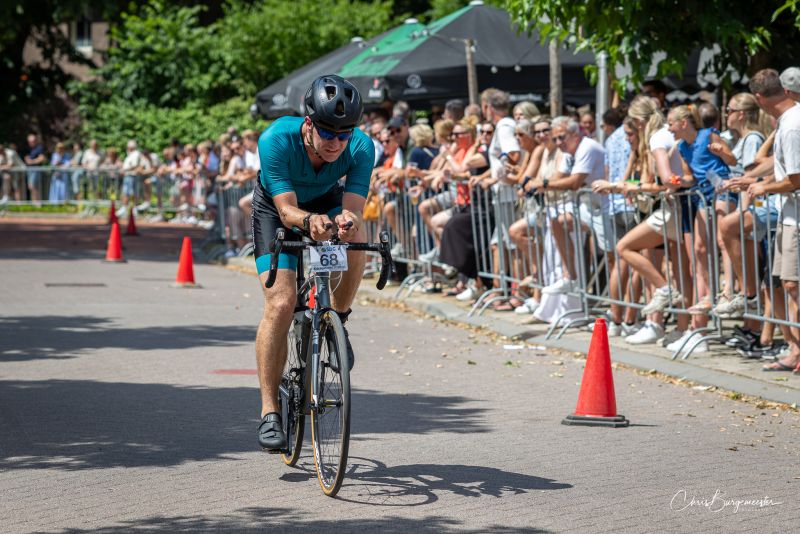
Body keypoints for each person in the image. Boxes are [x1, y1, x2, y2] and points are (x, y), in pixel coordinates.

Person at [253, 75, 373, 451]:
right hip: (278, 208)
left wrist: (347, 221)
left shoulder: (361, 146)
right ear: (308, 124)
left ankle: (338, 321)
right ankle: (269, 412)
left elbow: (353, 208)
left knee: (357, 234)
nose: (336, 143)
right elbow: (287, 210)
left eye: (344, 134)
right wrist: (308, 222)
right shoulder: (276, 139)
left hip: (325, 199)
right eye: (327, 133)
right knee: (281, 303)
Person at [744, 69, 800, 373]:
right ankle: (794, 350)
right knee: (782, 283)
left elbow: (795, 179)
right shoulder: (787, 121)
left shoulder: (791, 126)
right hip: (789, 215)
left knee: (792, 284)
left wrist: (763, 187)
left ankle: (796, 350)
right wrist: (752, 180)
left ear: (759, 97)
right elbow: (779, 167)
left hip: (795, 216)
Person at [24, 134, 46, 204]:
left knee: (34, 186)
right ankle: (34, 202)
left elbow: (42, 158)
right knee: (30, 186)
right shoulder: (28, 149)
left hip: (36, 170)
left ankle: (37, 203)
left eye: (33, 141)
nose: (31, 143)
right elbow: (26, 158)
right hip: (30, 170)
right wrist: (27, 160)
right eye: (30, 141)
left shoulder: (39, 148)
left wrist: (32, 161)